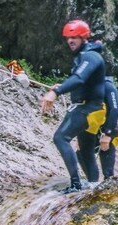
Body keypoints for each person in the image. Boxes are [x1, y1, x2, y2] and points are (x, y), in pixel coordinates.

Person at [41, 20, 107, 193]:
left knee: (60, 138)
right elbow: (82, 81)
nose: (70, 41)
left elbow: (79, 78)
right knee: (86, 151)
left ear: (84, 37)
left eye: (75, 37)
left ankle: (76, 184)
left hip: (87, 109)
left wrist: (56, 92)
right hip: (93, 109)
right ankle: (94, 186)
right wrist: (61, 85)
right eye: (68, 38)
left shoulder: (90, 56)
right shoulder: (85, 55)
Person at [77, 76, 118, 181]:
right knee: (81, 153)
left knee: (106, 153)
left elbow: (114, 110)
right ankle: (92, 181)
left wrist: (108, 134)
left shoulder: (108, 86)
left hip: (106, 129)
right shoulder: (85, 85)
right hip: (89, 128)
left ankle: (108, 180)